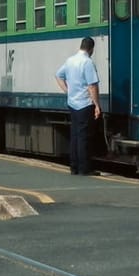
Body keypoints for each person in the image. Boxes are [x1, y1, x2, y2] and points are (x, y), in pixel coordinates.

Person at [55, 36, 102, 176]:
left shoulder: (70, 60)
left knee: (75, 135)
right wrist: (97, 105)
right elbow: (92, 85)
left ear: (81, 46)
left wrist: (67, 91)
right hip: (84, 104)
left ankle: (73, 167)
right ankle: (84, 168)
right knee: (84, 137)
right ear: (91, 49)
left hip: (72, 103)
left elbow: (58, 75)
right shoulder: (87, 62)